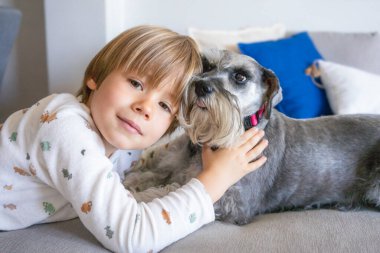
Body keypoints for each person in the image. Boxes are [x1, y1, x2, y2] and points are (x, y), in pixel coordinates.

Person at [0, 25, 268, 252]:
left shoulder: (124, 143)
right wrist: (214, 180)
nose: (146, 107)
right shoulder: (65, 128)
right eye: (136, 84)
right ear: (97, 76)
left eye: (165, 106)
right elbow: (132, 234)